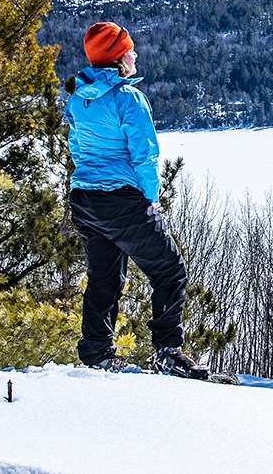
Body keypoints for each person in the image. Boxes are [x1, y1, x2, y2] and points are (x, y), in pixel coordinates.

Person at [65, 21, 208, 379]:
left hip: (85, 199)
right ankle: (167, 352)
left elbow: (75, 146)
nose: (136, 53)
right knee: (170, 269)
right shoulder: (127, 98)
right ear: (117, 57)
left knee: (104, 277)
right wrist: (149, 199)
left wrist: (88, 180)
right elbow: (144, 153)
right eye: (130, 49)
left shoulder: (79, 98)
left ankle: (97, 352)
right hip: (122, 200)